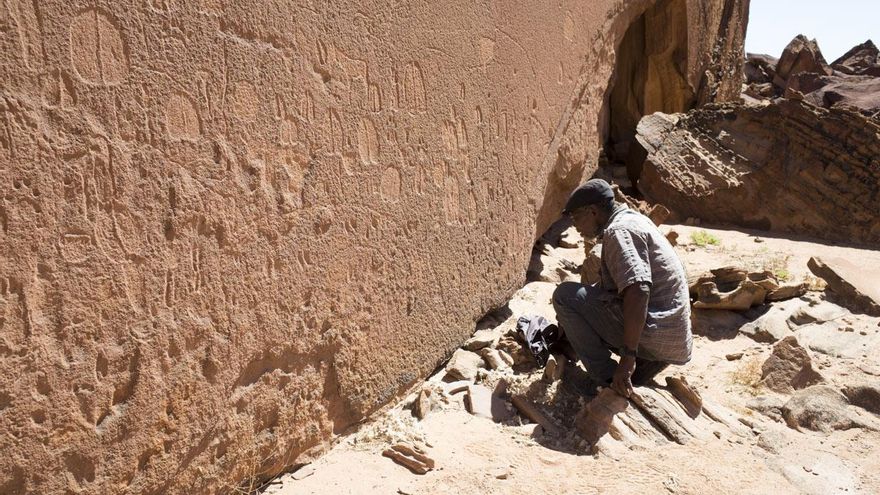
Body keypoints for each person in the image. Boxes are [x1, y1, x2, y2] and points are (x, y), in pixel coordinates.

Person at [552, 179, 692, 398]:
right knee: (587, 297)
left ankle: (606, 381)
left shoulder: (619, 231)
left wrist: (627, 358)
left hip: (656, 332)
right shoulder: (636, 220)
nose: (575, 226)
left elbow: (638, 289)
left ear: (592, 212)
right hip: (673, 337)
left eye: (576, 218)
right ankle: (643, 365)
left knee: (565, 296)